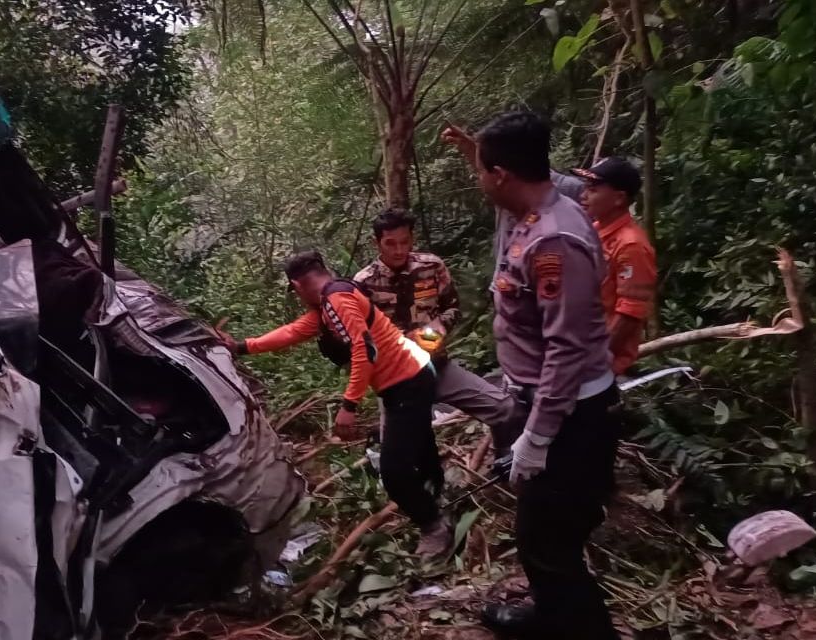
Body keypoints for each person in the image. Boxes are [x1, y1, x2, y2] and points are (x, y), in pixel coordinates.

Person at [442, 113, 621, 639]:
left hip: (572, 417)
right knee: (540, 537)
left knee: (550, 545)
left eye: (481, 171)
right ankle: (549, 618)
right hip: (547, 404)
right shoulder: (537, 211)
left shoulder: (554, 241)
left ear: (500, 174)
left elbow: (565, 349)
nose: (478, 180)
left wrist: (538, 437)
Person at [218, 251, 453, 557]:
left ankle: (433, 527)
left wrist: (349, 405)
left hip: (407, 381)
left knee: (394, 471)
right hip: (411, 376)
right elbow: (294, 331)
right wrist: (242, 346)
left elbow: (363, 350)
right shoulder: (330, 301)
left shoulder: (337, 300)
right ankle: (441, 497)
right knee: (420, 446)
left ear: (297, 285)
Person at [354, 210, 521, 454]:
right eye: (390, 243)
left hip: (438, 366)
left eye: (405, 241)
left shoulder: (431, 266)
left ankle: (506, 459)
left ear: (412, 239)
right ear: (376, 242)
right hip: (397, 380)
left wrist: (438, 327)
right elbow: (363, 335)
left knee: (505, 409)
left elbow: (452, 307)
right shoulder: (363, 283)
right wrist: (403, 340)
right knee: (398, 450)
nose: (399, 250)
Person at [573, 157, 657, 375]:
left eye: (593, 189)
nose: (584, 195)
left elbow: (630, 312)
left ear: (619, 198)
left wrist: (594, 357)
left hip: (598, 363)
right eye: (586, 188)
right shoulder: (594, 229)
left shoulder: (631, 245)